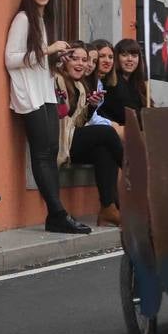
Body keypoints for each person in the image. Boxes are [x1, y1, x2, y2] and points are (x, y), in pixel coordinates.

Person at [6, 0, 88, 235]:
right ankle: (57, 213)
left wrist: (56, 59)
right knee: (41, 155)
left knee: (51, 153)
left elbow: (38, 61)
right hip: (29, 94)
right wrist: (47, 50)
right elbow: (11, 59)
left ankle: (57, 214)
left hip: (46, 91)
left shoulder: (43, 19)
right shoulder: (23, 19)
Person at [53, 48, 123, 226]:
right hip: (59, 141)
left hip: (71, 137)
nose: (81, 64)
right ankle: (134, 171)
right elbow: (62, 117)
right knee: (106, 132)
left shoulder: (80, 86)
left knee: (103, 151)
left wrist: (91, 106)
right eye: (75, 59)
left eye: (84, 60)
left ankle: (109, 208)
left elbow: (78, 122)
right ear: (65, 61)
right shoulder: (57, 80)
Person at [98, 37, 146, 125]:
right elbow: (124, 114)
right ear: (116, 58)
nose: (130, 59)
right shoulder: (110, 82)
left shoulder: (139, 83)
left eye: (134, 56)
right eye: (124, 55)